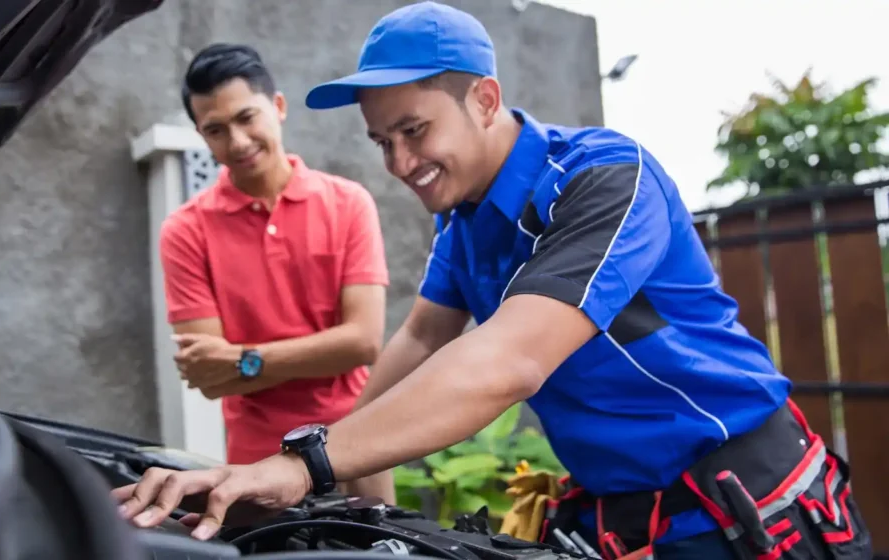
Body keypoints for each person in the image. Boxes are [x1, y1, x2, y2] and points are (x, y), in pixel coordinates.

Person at [116, 4, 871, 559]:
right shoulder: (464, 222)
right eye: (383, 142)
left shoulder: (605, 181)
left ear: (483, 98)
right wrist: (313, 454)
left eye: (415, 132)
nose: (400, 163)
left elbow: (509, 360)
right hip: (628, 519)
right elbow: (421, 334)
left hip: (745, 507)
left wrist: (306, 463)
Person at [158, 43, 391, 474]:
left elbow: (362, 343)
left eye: (247, 117)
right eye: (216, 130)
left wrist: (244, 361)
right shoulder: (185, 231)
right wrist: (322, 353)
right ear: (201, 136)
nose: (238, 141)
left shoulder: (348, 204)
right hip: (257, 462)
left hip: (357, 447)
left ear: (278, 106)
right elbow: (210, 378)